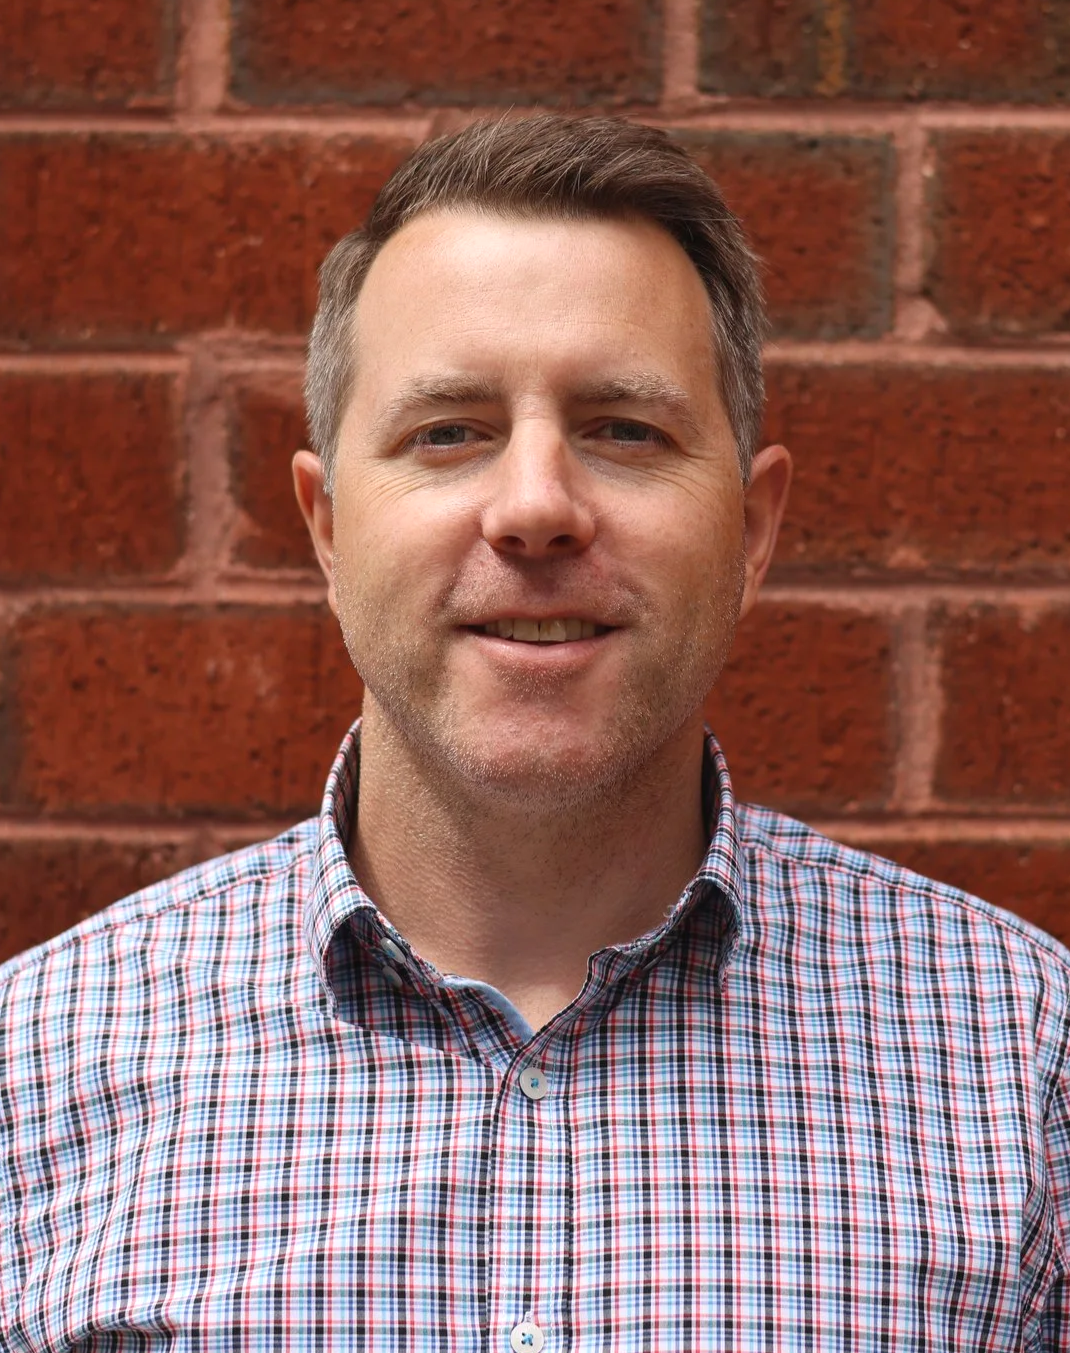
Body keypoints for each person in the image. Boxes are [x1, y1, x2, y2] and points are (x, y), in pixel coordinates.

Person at [1, 114, 1067, 1352]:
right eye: (448, 430)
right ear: (328, 527)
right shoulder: (37, 1078)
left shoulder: (1022, 1070)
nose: (534, 508)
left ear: (753, 528)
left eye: (625, 429)